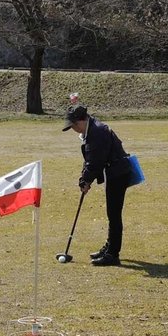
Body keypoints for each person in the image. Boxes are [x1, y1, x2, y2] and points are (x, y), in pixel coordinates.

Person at [62, 104, 133, 266]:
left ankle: (112, 254)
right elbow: (89, 159)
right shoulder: (92, 130)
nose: (73, 129)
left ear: (80, 121)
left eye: (73, 126)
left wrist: (86, 181)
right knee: (112, 213)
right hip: (114, 172)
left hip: (118, 173)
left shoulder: (97, 132)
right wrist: (84, 179)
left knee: (114, 213)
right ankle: (109, 247)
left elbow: (94, 162)